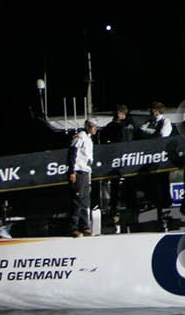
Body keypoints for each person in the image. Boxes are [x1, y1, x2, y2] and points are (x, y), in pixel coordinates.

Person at [137, 100, 175, 228]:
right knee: (153, 182)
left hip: (162, 157)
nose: (150, 112)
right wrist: (152, 134)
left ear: (157, 111)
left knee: (163, 181)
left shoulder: (165, 122)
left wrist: (151, 134)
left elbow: (163, 135)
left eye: (152, 110)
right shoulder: (150, 122)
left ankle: (165, 204)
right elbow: (142, 130)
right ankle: (155, 203)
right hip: (151, 157)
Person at [101, 104, 134, 232]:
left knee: (128, 185)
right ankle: (113, 208)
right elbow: (104, 141)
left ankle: (129, 207)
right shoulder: (111, 126)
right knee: (114, 185)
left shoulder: (130, 125)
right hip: (115, 161)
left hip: (129, 160)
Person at [68, 119, 96, 236]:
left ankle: (85, 226)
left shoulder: (89, 140)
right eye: (93, 126)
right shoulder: (80, 137)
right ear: (88, 127)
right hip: (78, 172)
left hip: (85, 173)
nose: (95, 129)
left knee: (85, 201)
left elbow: (89, 162)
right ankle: (73, 227)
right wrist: (72, 171)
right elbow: (72, 153)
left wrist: (89, 182)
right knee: (77, 200)